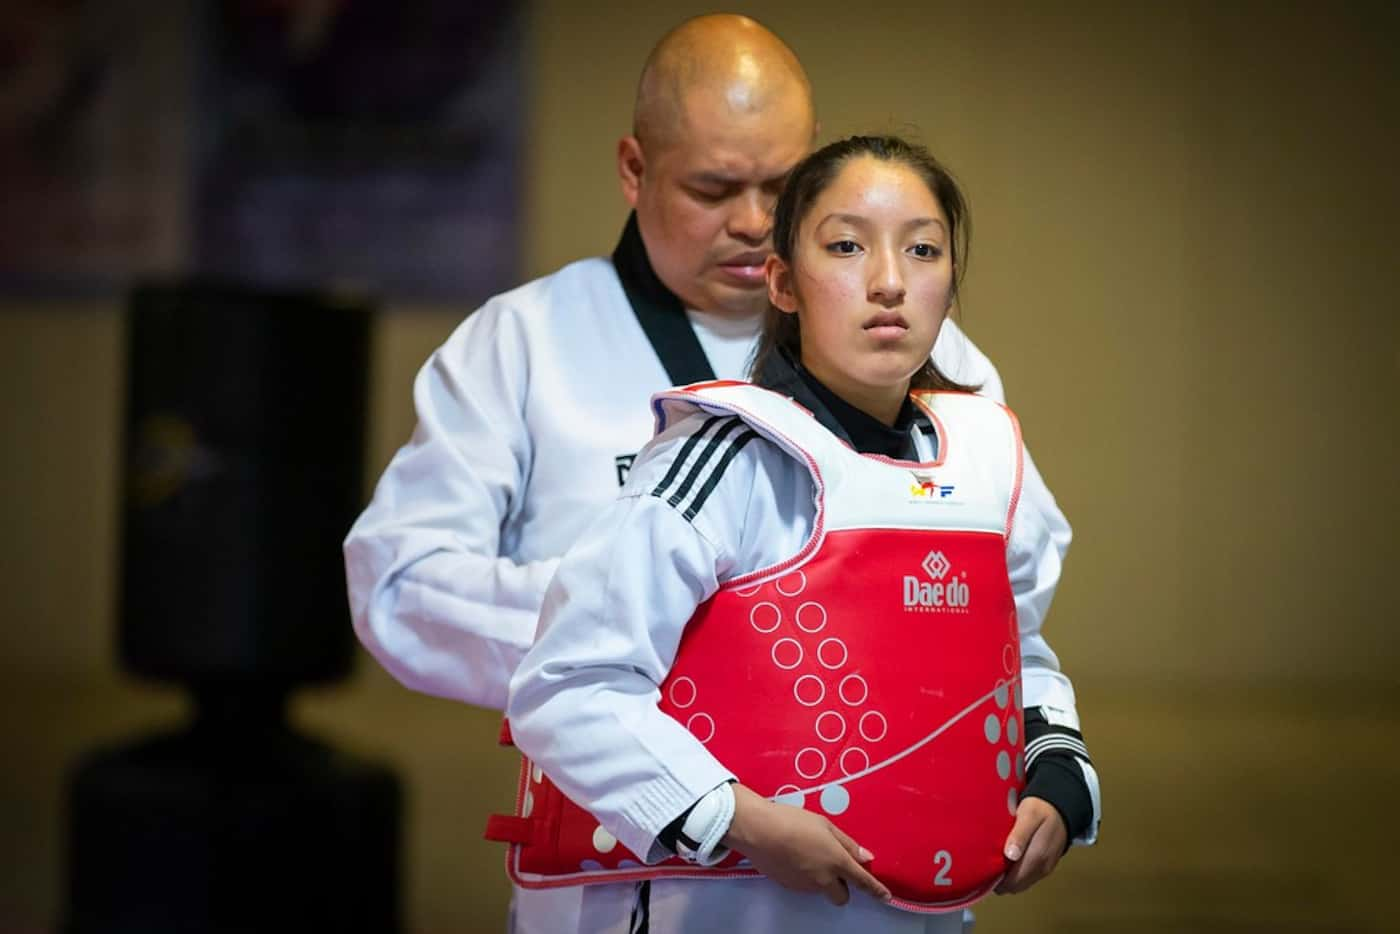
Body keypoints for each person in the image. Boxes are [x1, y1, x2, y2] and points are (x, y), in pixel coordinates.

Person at [343, 14, 1078, 934]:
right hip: (636, 867)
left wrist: (1046, 745)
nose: (753, 219)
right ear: (634, 170)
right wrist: (661, 617)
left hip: (884, 872)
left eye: (782, 184)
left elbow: (1007, 599)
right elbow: (400, 586)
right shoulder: (524, 341)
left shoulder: (929, 358)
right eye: (713, 186)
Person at [505, 135, 1100, 934]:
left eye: (923, 250)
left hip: (920, 911)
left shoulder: (988, 460)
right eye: (847, 246)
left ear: (951, 285)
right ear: (783, 283)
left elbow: (1015, 653)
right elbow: (569, 684)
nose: (889, 281)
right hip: (721, 905)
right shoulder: (725, 457)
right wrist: (738, 820)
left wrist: (1057, 768)